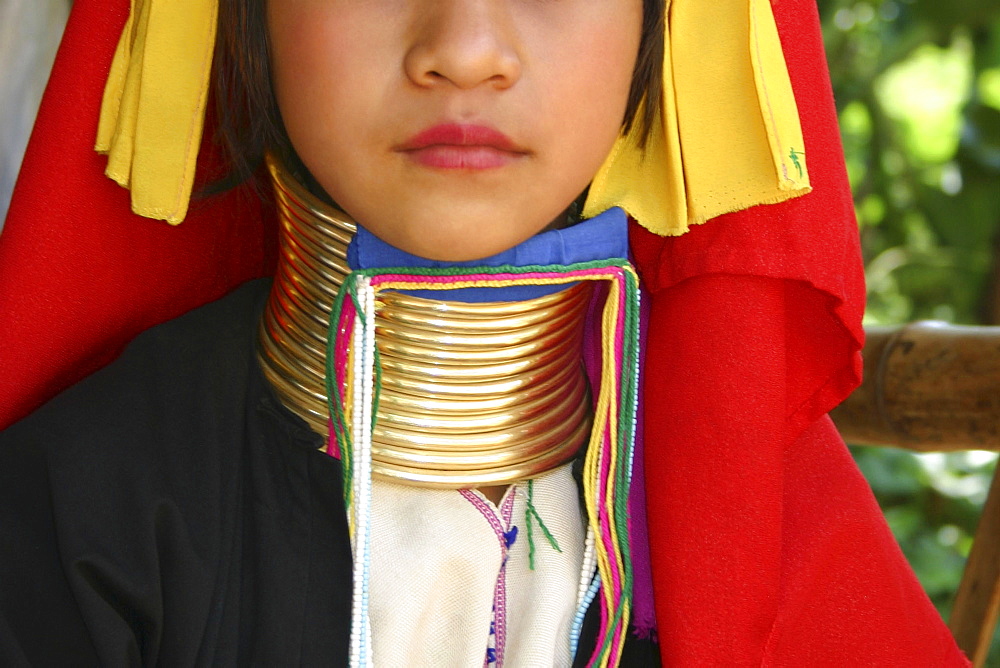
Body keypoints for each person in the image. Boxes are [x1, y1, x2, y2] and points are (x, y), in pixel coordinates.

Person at [0, 0, 969, 666]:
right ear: (244, 23)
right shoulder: (82, 511)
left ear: (662, 36)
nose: (464, 49)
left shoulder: (755, 531)